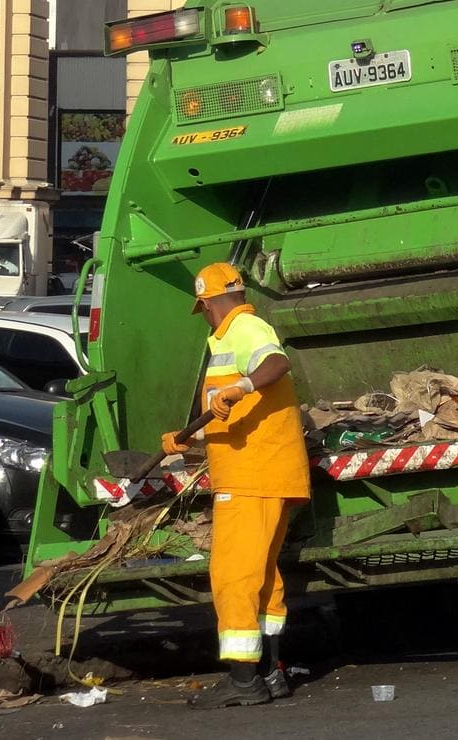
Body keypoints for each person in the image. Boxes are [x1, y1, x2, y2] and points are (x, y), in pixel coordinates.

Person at [175, 262, 308, 710]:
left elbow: (276, 363)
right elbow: (225, 412)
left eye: (205, 308)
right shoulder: (231, 336)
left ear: (210, 302)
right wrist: (184, 438)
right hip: (264, 471)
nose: (206, 317)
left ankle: (243, 681)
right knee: (264, 580)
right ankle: (271, 674)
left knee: (233, 576)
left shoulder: (245, 328)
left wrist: (243, 386)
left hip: (252, 476)